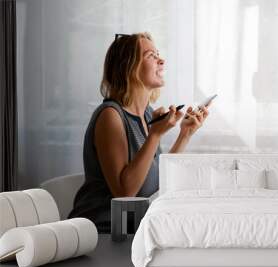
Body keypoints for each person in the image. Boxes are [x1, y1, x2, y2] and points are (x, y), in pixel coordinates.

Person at [68, 32, 209, 233]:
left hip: (135, 230)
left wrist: (185, 134)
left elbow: (159, 179)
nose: (161, 60)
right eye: (151, 55)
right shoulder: (111, 116)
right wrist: (155, 135)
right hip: (103, 234)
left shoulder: (147, 114)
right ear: (129, 67)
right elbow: (125, 194)